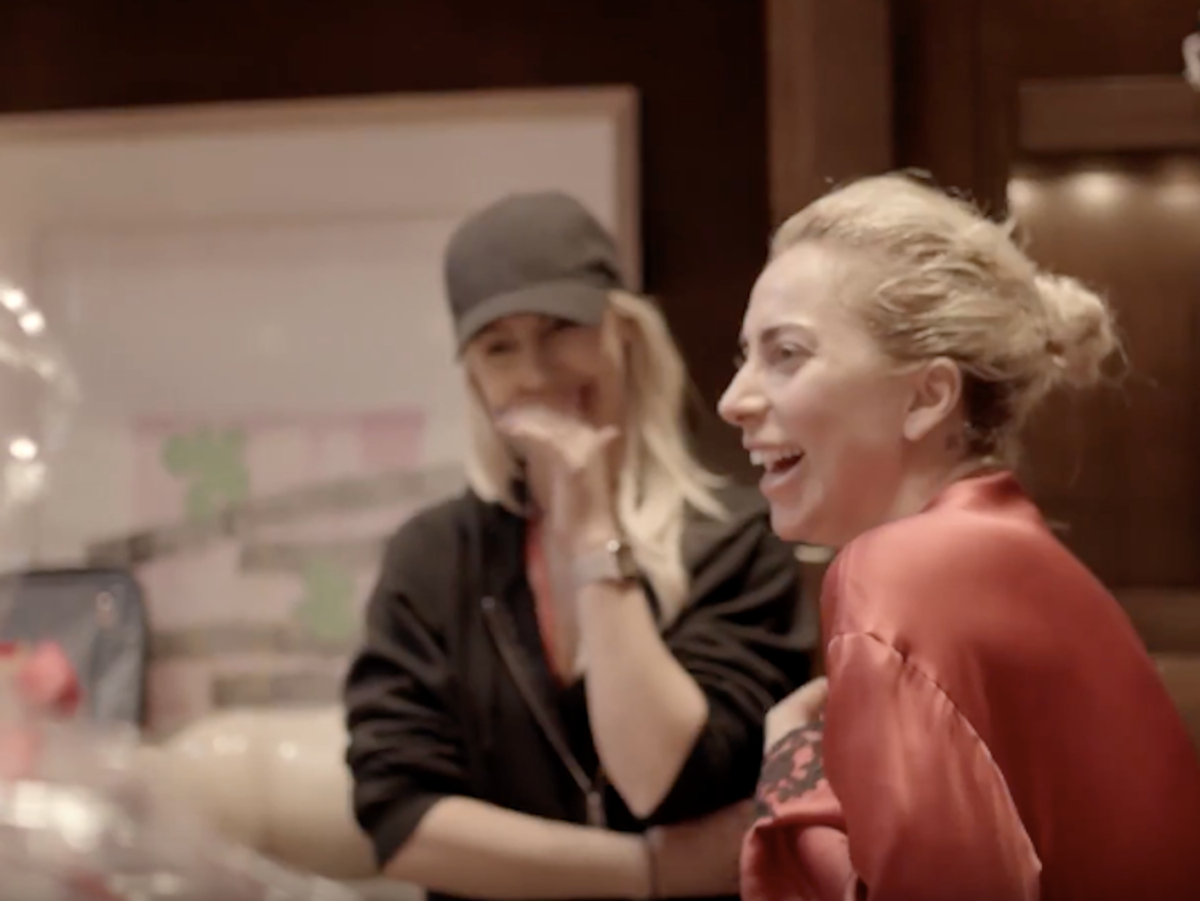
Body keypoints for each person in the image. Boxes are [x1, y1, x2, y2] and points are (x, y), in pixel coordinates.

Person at [718, 173, 1200, 901]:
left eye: (786, 353)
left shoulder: (900, 571)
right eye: (745, 356)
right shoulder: (1016, 553)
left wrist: (793, 764)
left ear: (927, 395)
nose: (734, 400)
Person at [343, 191, 814, 901]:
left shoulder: (739, 538)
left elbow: (664, 776)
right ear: (475, 379)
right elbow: (401, 821)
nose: (535, 373)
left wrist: (593, 532)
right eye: (499, 347)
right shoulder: (434, 555)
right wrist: (649, 873)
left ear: (626, 335)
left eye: (561, 328)